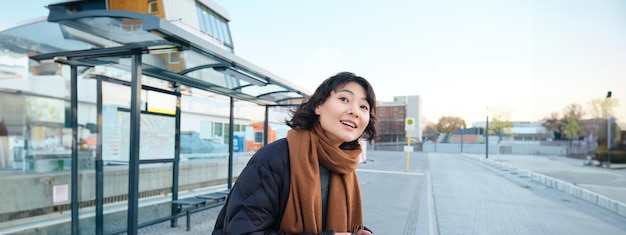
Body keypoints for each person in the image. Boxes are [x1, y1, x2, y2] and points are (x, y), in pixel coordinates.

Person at [212, 72, 378, 235]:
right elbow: (242, 231)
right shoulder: (275, 157)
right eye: (344, 99)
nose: (355, 111)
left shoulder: (345, 164)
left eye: (363, 107)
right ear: (318, 105)